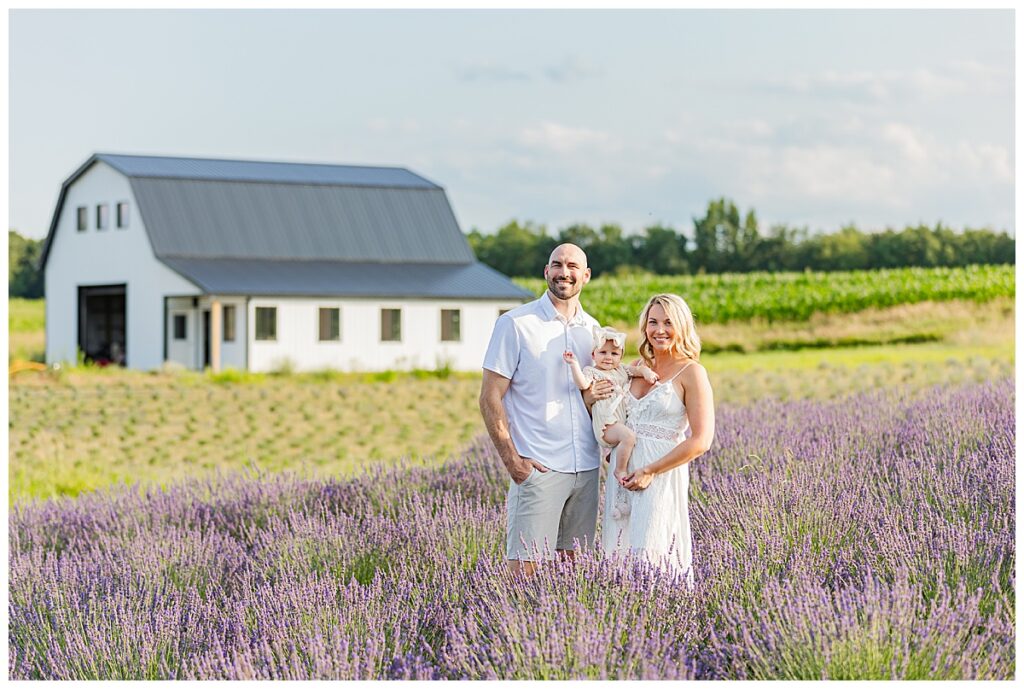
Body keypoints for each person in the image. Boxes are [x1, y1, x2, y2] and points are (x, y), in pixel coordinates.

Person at [479, 243, 613, 576]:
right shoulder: (515, 324)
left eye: (572, 266)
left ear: (586, 275)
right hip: (539, 468)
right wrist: (514, 462)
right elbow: (489, 398)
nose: (563, 273)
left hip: (585, 468)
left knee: (574, 573)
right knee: (524, 572)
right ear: (546, 271)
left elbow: (590, 396)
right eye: (556, 265)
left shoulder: (594, 331)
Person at [602, 293, 715, 586]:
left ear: (682, 326)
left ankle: (660, 623)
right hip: (622, 476)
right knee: (618, 555)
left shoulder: (692, 372)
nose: (659, 330)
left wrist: (651, 470)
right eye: (653, 322)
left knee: (652, 554)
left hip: (659, 476)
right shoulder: (636, 366)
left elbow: (701, 440)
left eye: (668, 322)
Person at [562, 326, 658, 520]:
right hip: (606, 425)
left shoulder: (621, 371)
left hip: (618, 422)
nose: (608, 357)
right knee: (629, 436)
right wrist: (573, 364)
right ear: (593, 354)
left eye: (614, 353)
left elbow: (637, 370)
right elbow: (582, 384)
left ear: (621, 355)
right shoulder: (592, 372)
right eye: (603, 352)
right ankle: (619, 469)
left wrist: (647, 373)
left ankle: (616, 461)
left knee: (629, 435)